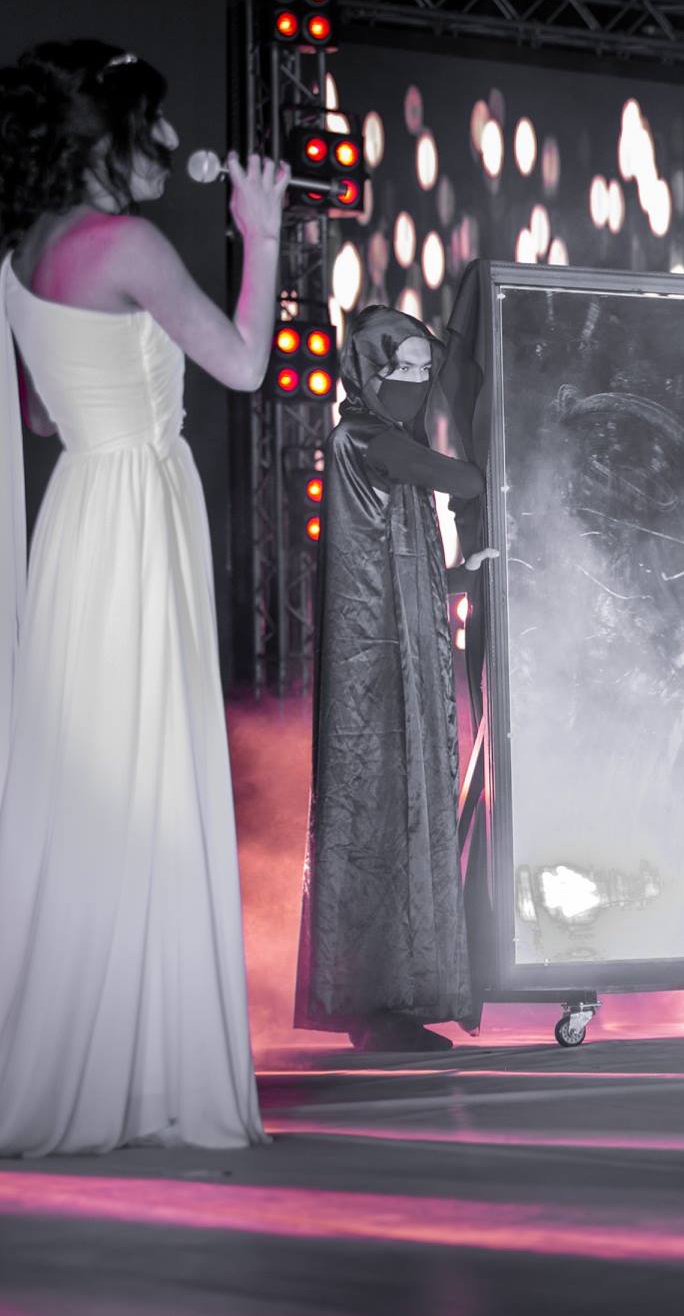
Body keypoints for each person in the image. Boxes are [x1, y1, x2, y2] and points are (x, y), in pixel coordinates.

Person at [0, 40, 288, 1154]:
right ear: (107, 134)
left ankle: (94, 1051)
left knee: (94, 778)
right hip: (137, 512)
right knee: (144, 772)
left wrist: (110, 408)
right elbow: (246, 365)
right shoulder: (128, 244)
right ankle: (144, 1066)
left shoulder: (27, 254)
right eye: (152, 121)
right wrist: (261, 233)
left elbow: (37, 416)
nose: (171, 139)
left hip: (81, 512)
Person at [296, 307, 489, 1052]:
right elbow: (465, 478)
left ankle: (396, 996)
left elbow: (398, 564)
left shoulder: (385, 443)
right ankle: (373, 1000)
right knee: (378, 815)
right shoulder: (365, 438)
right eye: (402, 367)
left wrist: (461, 574)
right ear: (368, 370)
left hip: (396, 653)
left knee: (402, 812)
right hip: (373, 672)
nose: (415, 380)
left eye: (423, 369)